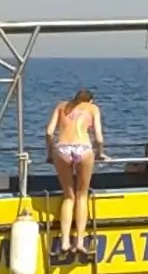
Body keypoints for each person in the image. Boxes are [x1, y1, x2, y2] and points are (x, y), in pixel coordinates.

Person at [44, 88, 105, 263]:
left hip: (62, 148)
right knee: (82, 195)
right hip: (83, 148)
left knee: (69, 196)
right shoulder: (92, 109)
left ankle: (64, 242)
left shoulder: (61, 106)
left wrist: (50, 153)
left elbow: (49, 132)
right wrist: (100, 153)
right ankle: (79, 241)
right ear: (90, 101)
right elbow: (99, 138)